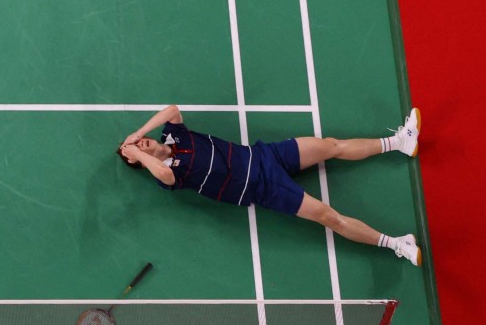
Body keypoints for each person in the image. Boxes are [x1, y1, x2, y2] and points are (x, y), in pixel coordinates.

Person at [116, 104, 423, 266]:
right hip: (262, 187)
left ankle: (399, 141)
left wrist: (136, 133)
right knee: (330, 217)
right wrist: (137, 156)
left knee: (332, 145)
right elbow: (165, 176)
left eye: (138, 143)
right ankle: (397, 244)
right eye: (136, 150)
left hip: (264, 155)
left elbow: (171, 109)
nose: (141, 144)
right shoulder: (168, 174)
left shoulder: (175, 134)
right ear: (140, 162)